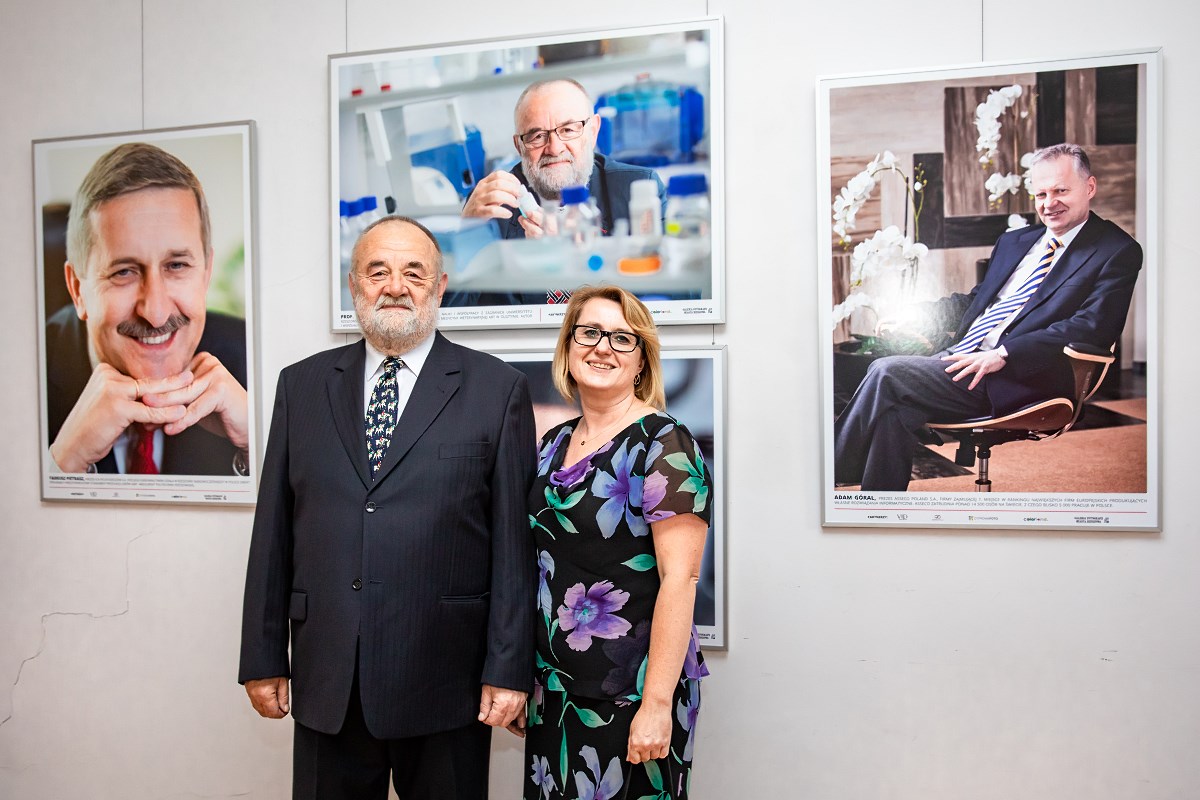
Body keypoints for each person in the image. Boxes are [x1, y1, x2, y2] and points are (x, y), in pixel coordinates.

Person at [239, 216, 536, 800]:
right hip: (330, 677)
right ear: (354, 286)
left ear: (440, 287)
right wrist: (262, 654)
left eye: (413, 273)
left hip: (447, 680)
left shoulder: (496, 389)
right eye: (377, 272)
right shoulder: (301, 387)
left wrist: (508, 668)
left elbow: (513, 548)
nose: (395, 286)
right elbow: (272, 532)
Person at [834, 143, 1143, 491]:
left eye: (1061, 191)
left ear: (1089, 187)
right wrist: (915, 315)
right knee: (894, 411)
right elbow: (974, 301)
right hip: (960, 360)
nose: (1049, 203)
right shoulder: (1016, 242)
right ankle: (880, 511)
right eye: (1041, 194)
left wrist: (1004, 354)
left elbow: (1093, 327)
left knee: (885, 371)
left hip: (1020, 375)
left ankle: (829, 469)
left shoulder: (1115, 251)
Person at [523, 285, 712, 800]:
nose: (603, 347)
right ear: (568, 347)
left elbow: (681, 579)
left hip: (633, 691)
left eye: (622, 338)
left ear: (642, 360)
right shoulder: (552, 444)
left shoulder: (664, 441)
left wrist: (656, 705)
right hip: (555, 687)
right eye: (589, 333)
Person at [44, 141, 248, 476]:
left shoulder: (253, 364)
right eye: (124, 272)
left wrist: (259, 446)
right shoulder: (21, 382)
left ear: (206, 273)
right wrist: (61, 466)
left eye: (177, 266)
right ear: (78, 290)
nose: (155, 314)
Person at [462, 78, 666, 241]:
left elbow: (670, 277)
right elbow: (455, 281)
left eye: (568, 130)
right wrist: (465, 229)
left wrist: (571, 251)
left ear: (593, 131)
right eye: (537, 136)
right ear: (519, 146)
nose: (554, 148)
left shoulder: (638, 187)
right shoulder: (492, 204)